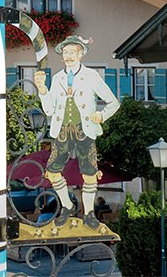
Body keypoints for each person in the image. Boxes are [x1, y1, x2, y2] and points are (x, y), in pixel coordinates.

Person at [34, 35, 119, 229]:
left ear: (80, 54)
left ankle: (89, 212)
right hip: (62, 129)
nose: (69, 56)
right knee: (53, 171)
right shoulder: (57, 78)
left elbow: (114, 102)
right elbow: (48, 110)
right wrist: (42, 90)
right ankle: (66, 205)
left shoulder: (91, 76)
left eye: (72, 52)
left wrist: (102, 115)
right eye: (65, 52)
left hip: (85, 129)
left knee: (89, 172)